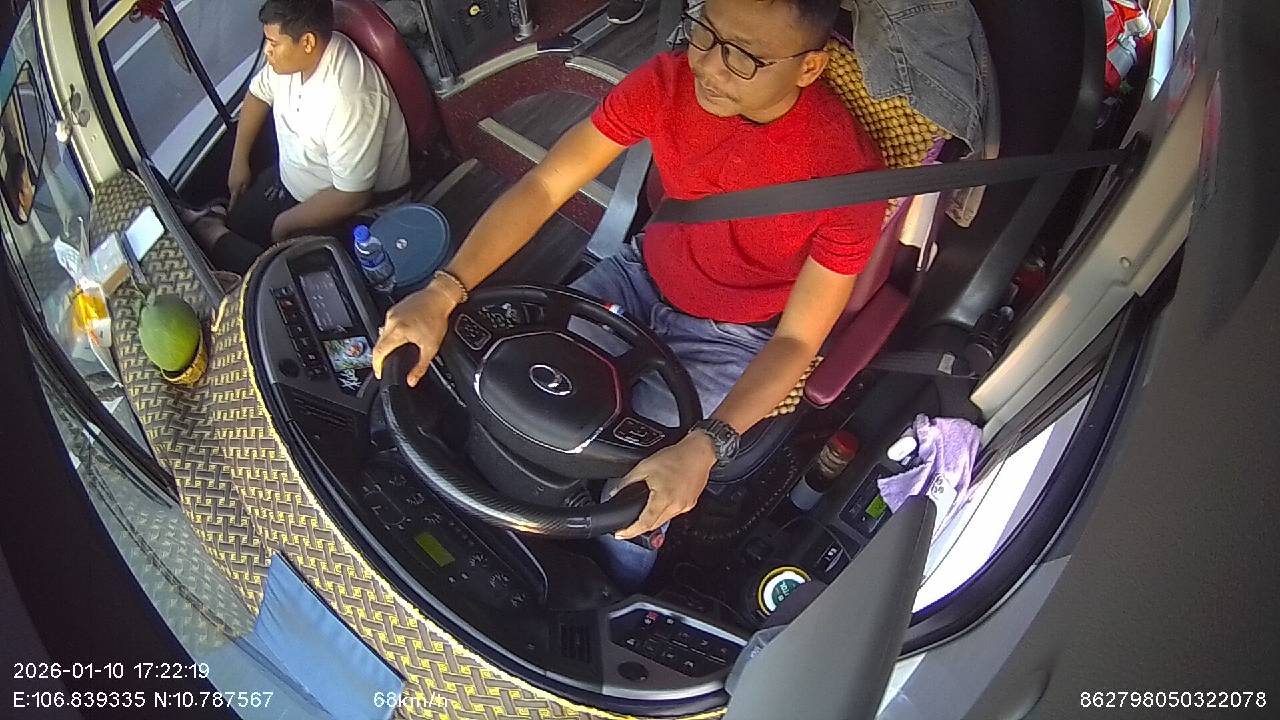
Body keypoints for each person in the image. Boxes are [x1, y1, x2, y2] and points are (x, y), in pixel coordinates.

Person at [372, 0, 886, 580]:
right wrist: (444, 291)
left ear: (809, 67)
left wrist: (703, 448)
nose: (709, 66)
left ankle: (616, 583)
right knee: (529, 387)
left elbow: (796, 341)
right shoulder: (668, 83)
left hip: (733, 336)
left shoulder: (848, 180)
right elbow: (546, 185)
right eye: (705, 33)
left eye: (743, 56)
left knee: (640, 494)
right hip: (640, 272)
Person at [185, 0, 410, 273]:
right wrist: (239, 160)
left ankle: (211, 227)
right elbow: (257, 95)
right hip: (291, 181)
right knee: (235, 228)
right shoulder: (289, 64)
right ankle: (216, 224)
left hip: (354, 212)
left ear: (307, 42)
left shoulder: (350, 96)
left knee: (265, 272)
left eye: (273, 43)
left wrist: (285, 224)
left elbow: (352, 196)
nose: (267, 51)